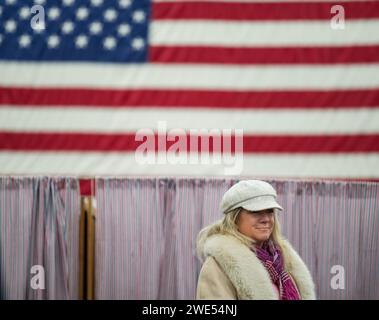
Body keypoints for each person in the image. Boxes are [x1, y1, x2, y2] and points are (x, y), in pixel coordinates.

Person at [196, 180, 316, 300]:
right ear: (234, 219)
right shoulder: (217, 267)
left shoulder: (281, 259)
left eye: (270, 211)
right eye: (255, 212)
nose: (266, 219)